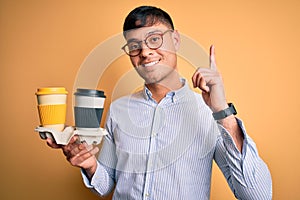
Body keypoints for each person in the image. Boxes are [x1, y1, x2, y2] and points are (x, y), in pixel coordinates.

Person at [47, 5, 272, 200]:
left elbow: (256, 195)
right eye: (134, 45)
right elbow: (106, 185)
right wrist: (89, 165)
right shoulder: (118, 109)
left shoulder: (209, 114)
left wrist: (222, 110)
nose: (144, 52)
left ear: (175, 40)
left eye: (154, 39)